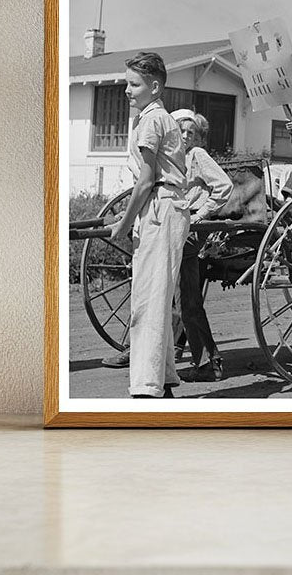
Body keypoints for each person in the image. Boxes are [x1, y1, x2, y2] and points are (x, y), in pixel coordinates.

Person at [106, 52, 189, 399]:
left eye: (133, 84)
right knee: (154, 294)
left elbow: (146, 180)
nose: (127, 90)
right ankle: (164, 377)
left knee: (149, 300)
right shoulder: (149, 117)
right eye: (127, 82)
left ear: (154, 87)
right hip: (159, 207)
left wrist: (123, 224)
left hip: (162, 207)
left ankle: (146, 386)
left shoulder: (153, 120)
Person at [171, 109, 233, 382]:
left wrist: (200, 214)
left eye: (191, 133)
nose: (185, 137)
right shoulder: (173, 159)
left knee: (187, 300)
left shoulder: (197, 156)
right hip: (175, 230)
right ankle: (200, 358)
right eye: (181, 132)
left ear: (198, 138)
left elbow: (223, 186)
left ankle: (210, 361)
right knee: (182, 300)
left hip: (190, 233)